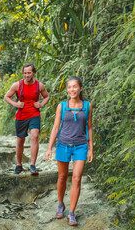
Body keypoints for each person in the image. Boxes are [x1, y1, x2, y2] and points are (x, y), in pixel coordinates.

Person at [45, 76, 93, 226]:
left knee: (77, 178)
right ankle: (61, 204)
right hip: (63, 145)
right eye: (69, 87)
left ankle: (71, 213)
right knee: (62, 176)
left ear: (80, 89)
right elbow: (55, 127)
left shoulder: (87, 106)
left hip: (80, 146)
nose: (72, 89)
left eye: (75, 87)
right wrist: (49, 148)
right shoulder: (62, 106)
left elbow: (89, 127)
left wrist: (91, 148)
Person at [4, 63, 49, 175]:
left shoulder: (39, 85)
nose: (27, 75)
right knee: (20, 140)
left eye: (29, 73)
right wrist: (16, 104)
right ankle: (19, 165)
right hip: (21, 116)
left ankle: (33, 165)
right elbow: (6, 97)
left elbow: (46, 96)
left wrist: (41, 104)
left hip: (34, 114)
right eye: (25, 73)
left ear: (33, 73)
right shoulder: (17, 85)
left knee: (35, 135)